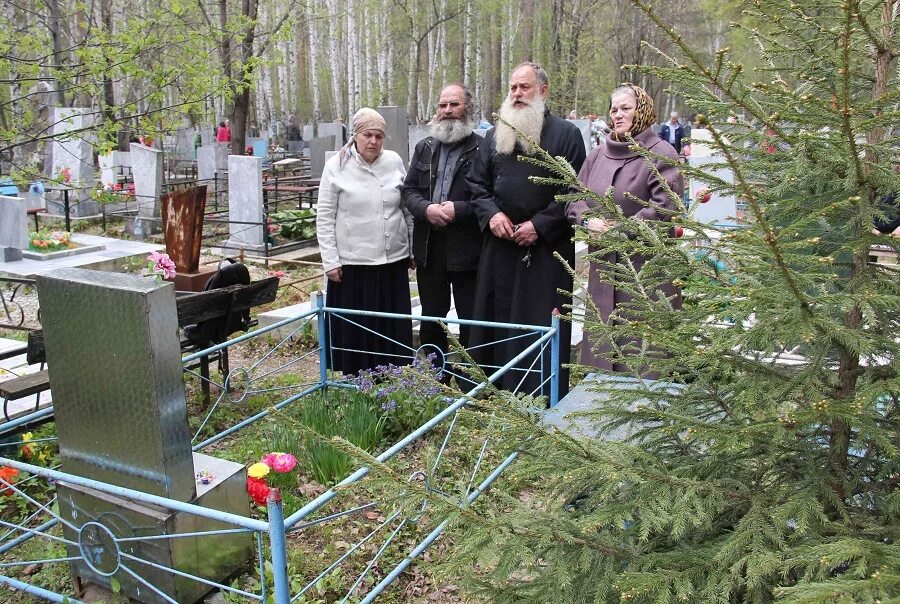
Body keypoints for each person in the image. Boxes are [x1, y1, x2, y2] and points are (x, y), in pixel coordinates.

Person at [467, 62, 586, 402]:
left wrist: (540, 225)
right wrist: (491, 215)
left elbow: (574, 190)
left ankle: (541, 393)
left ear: (543, 91)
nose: (517, 94)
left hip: (547, 249)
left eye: (525, 87)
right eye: (513, 88)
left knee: (540, 318)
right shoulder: (495, 135)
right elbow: (476, 184)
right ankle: (495, 388)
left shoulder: (566, 135)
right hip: (500, 245)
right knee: (498, 317)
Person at [566, 83, 684, 376]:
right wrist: (587, 221)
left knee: (642, 355)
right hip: (604, 267)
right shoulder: (597, 155)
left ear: (642, 111)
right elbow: (573, 197)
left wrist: (620, 230)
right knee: (604, 350)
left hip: (645, 271)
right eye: (614, 109)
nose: (617, 115)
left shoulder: (661, 152)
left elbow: (664, 207)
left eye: (625, 108)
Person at [316, 108, 414, 375]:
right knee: (357, 327)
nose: (373, 141)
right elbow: (324, 217)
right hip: (353, 265)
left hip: (392, 261)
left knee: (389, 325)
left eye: (379, 136)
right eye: (368, 135)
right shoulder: (336, 166)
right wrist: (330, 261)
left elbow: (406, 208)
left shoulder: (393, 161)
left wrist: (412, 248)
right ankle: (356, 378)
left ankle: (394, 376)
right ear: (355, 136)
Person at [401, 84, 481, 365]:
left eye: (454, 104)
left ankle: (473, 381)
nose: (447, 111)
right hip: (429, 246)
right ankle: (438, 376)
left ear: (467, 108)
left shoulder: (482, 149)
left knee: (472, 320)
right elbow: (408, 191)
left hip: (468, 250)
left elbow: (491, 199)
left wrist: (458, 209)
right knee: (431, 320)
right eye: (442, 105)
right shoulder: (425, 147)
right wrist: (426, 209)